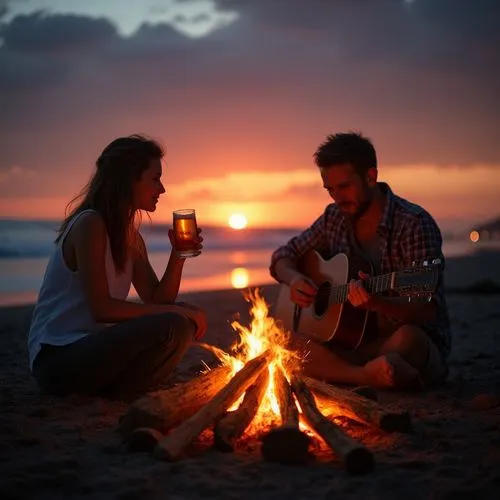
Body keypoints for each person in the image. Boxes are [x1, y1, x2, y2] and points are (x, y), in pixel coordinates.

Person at [28, 135, 207, 399]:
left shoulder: (130, 237)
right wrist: (174, 311)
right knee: (173, 323)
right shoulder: (90, 224)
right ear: (129, 180)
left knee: (180, 324)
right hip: (58, 358)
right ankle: (122, 388)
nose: (162, 189)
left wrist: (178, 255)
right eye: (155, 178)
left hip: (94, 350)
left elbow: (157, 298)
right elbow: (102, 308)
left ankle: (117, 390)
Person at [270, 132, 451, 390]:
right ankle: (365, 375)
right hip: (348, 341)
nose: (336, 197)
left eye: (344, 186)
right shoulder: (334, 217)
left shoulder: (414, 223)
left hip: (398, 341)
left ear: (371, 176)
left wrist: (379, 303)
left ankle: (345, 371)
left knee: (408, 340)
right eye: (330, 189)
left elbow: (427, 308)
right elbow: (282, 257)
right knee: (283, 341)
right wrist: (295, 278)